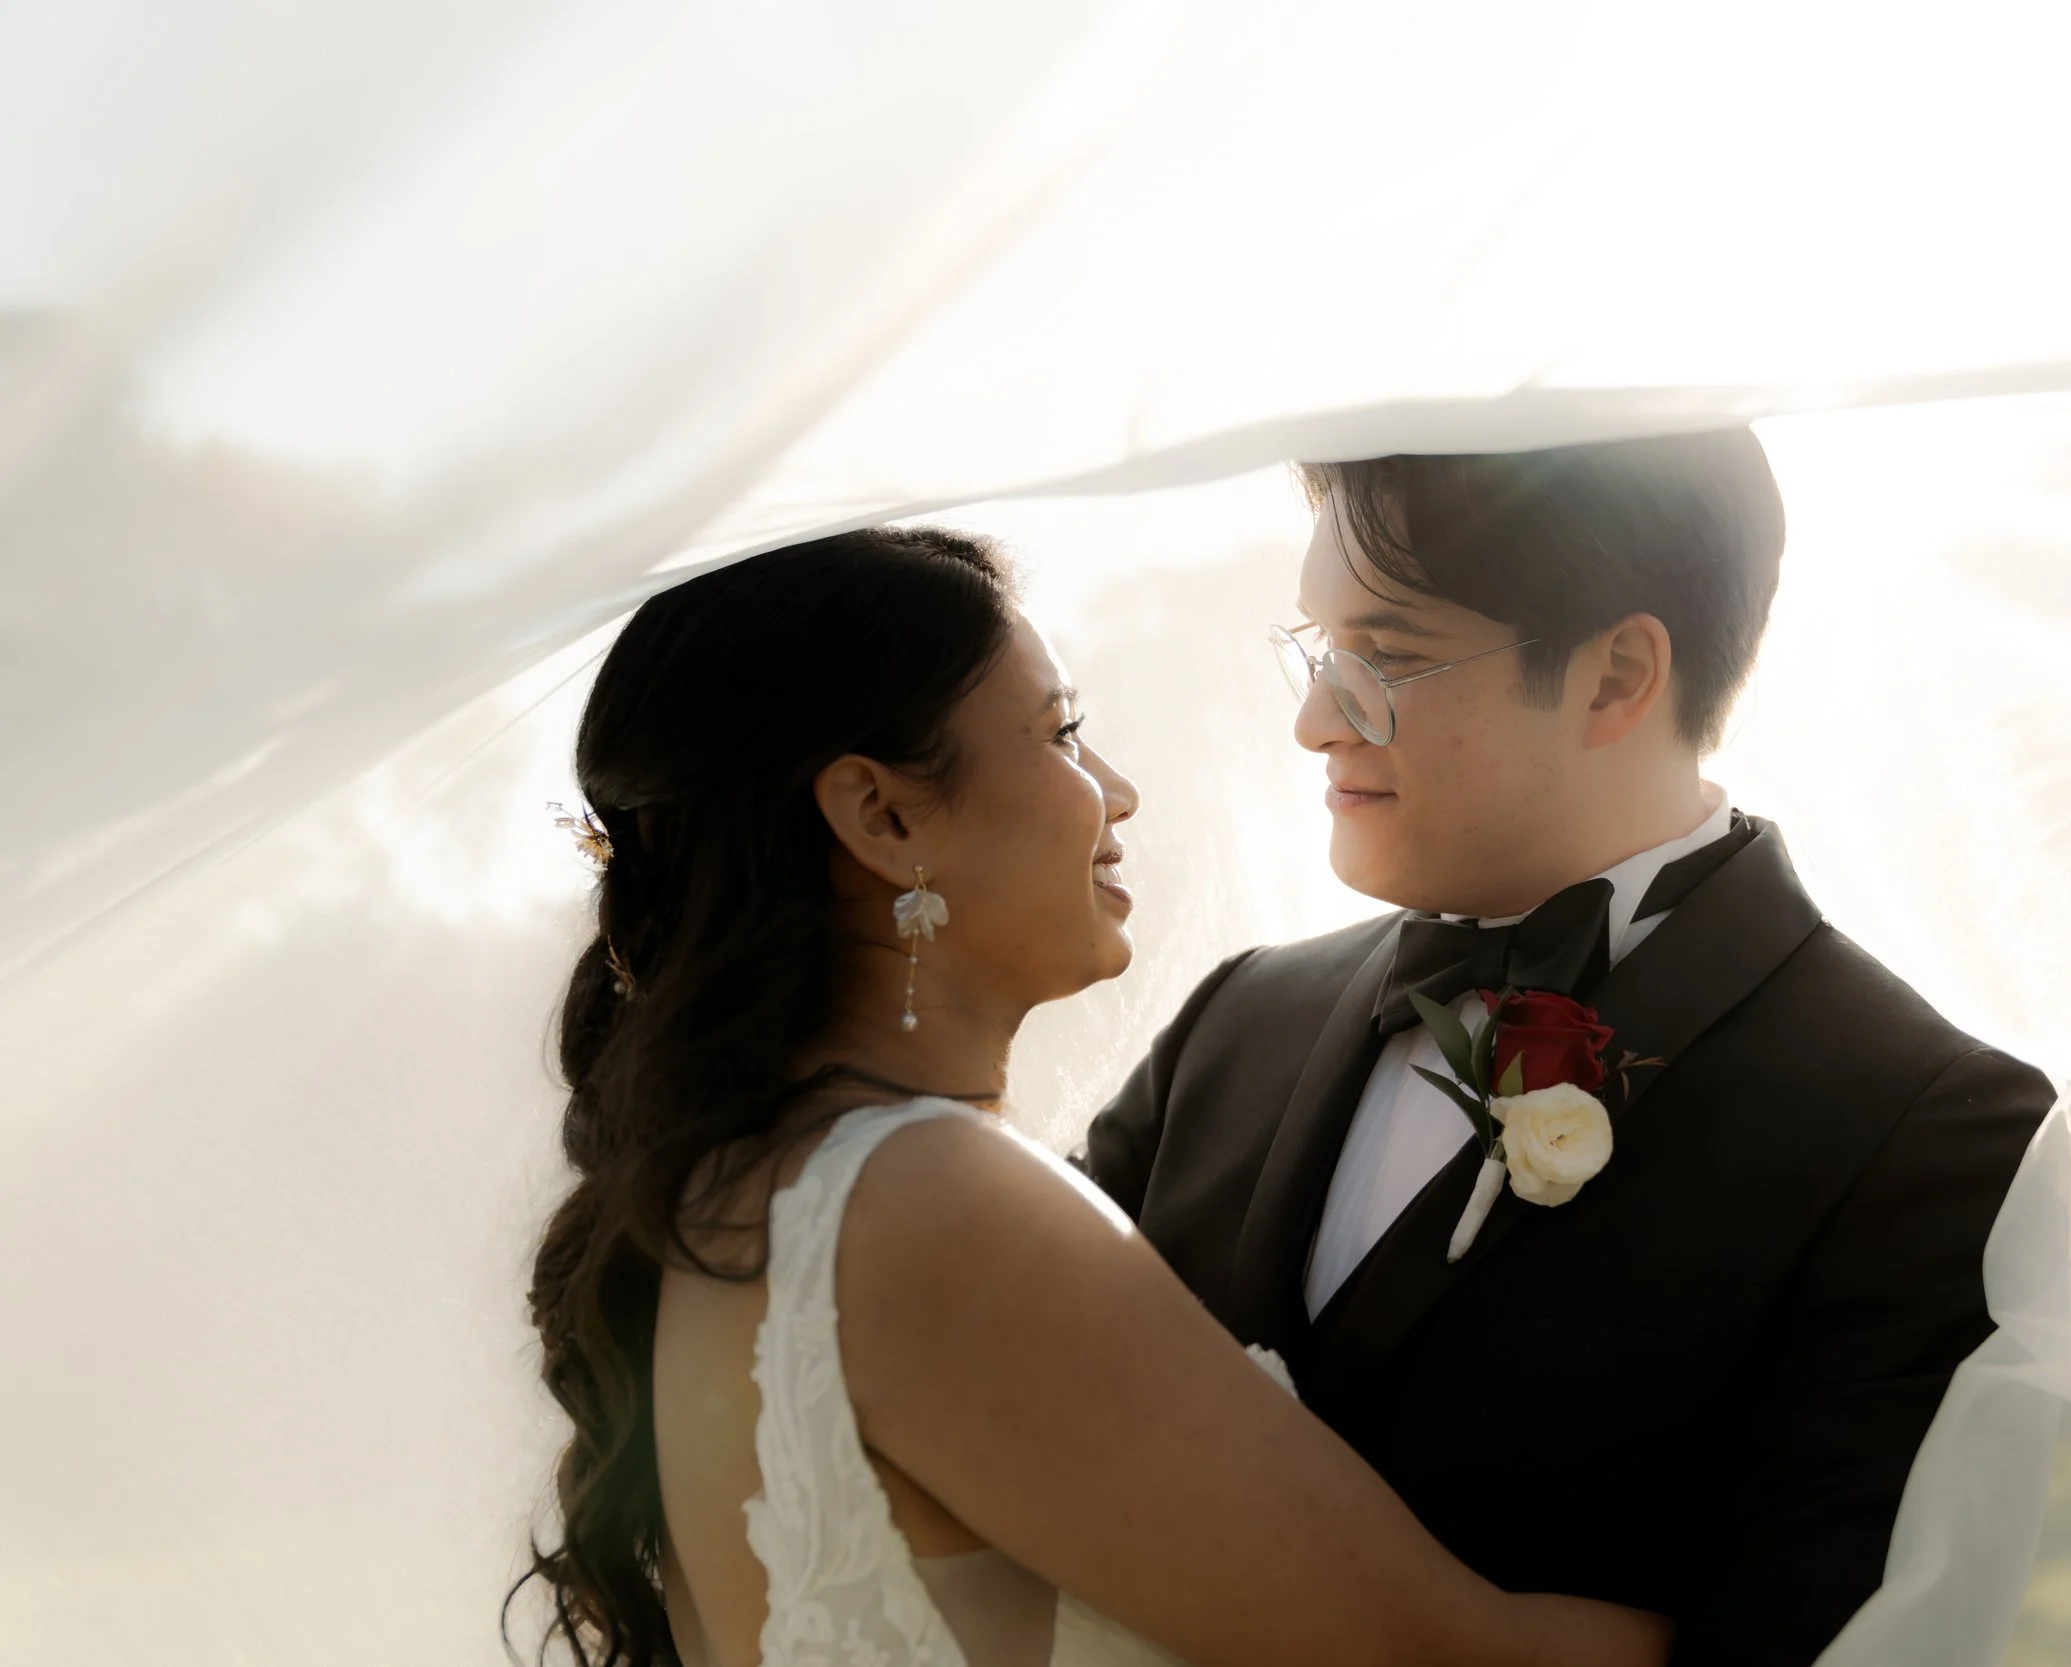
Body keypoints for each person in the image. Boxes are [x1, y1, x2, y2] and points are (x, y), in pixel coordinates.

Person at [512, 527, 1671, 1667]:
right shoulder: (925, 1200)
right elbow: (1444, 1654)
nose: (1118, 791)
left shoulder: (736, 1190)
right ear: (882, 815)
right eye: (1063, 733)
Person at [1080, 432, 2057, 1666]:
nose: (1315, 720)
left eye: (1387, 655)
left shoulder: (1921, 1132)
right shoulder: (1237, 1018)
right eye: (1320, 650)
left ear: (1615, 676)